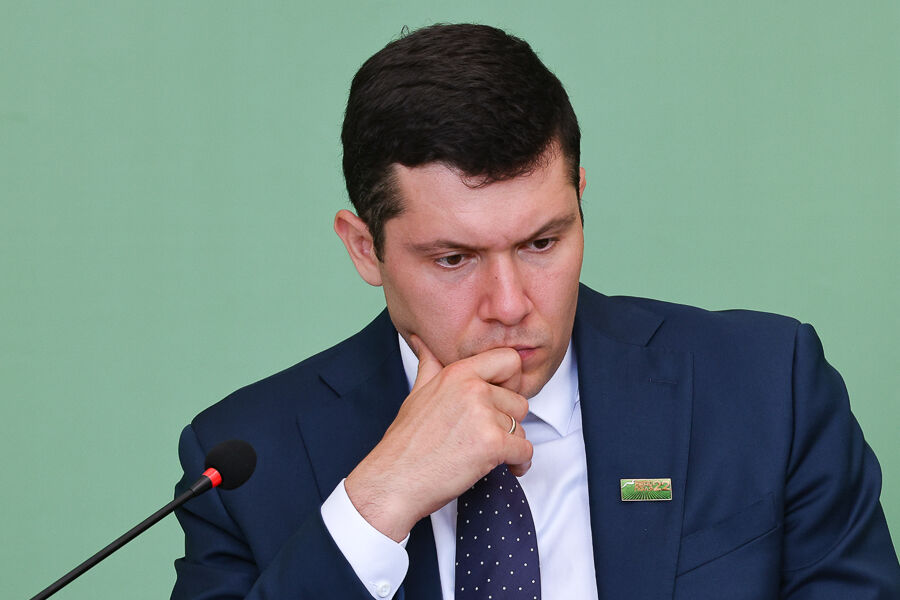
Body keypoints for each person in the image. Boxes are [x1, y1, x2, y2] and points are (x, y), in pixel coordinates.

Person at [171, 23, 900, 599]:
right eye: (454, 259)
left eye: (542, 242)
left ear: (579, 197)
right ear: (366, 249)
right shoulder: (245, 463)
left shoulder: (767, 389)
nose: (511, 304)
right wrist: (377, 503)